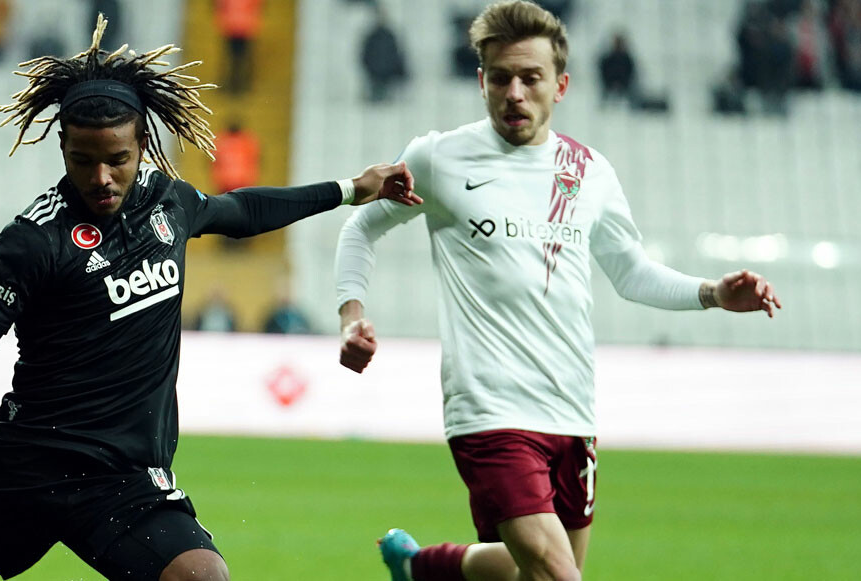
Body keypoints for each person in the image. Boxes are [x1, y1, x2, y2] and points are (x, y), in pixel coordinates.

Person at [0, 14, 419, 581]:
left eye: (117, 159)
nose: (101, 178)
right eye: (82, 161)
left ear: (143, 143)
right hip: (23, 469)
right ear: (61, 145)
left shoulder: (168, 202)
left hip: (122, 477)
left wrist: (348, 190)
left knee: (203, 576)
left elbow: (239, 210)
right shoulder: (30, 244)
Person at [333, 3, 781, 580]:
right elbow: (361, 225)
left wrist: (714, 292)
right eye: (500, 78)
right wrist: (352, 316)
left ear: (561, 86)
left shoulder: (588, 171)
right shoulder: (439, 158)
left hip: (571, 408)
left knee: (532, 572)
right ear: (481, 82)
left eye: (531, 78)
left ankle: (423, 568)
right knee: (556, 575)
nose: (514, 92)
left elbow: (632, 272)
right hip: (489, 410)